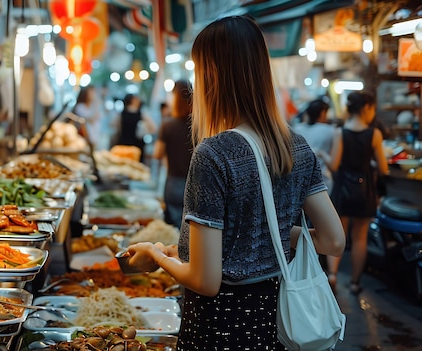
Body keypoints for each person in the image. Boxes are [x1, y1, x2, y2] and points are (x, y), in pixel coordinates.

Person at [124, 16, 345, 350]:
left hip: (221, 329)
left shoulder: (214, 153)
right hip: (279, 326)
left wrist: (156, 256)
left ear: (212, 75)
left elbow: (206, 280)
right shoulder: (296, 145)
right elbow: (333, 241)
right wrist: (269, 233)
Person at [325, 91, 389, 295]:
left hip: (343, 188)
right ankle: (354, 283)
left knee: (338, 234)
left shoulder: (340, 132)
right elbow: (384, 168)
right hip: (365, 190)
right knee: (360, 238)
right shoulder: (375, 134)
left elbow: (334, 164)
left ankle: (332, 275)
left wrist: (322, 155)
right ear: (366, 108)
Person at [153, 80, 193, 228]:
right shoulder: (199, 126)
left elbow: (157, 153)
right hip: (196, 183)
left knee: (174, 230)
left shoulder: (167, 125)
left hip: (174, 182)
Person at [292, 99, 335, 192]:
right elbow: (334, 164)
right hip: (324, 179)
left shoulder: (297, 128)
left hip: (300, 178)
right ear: (323, 113)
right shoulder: (330, 130)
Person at [115, 94, 156, 162]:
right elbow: (153, 128)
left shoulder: (121, 114)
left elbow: (116, 127)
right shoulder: (142, 114)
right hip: (137, 147)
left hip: (123, 146)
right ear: (133, 101)